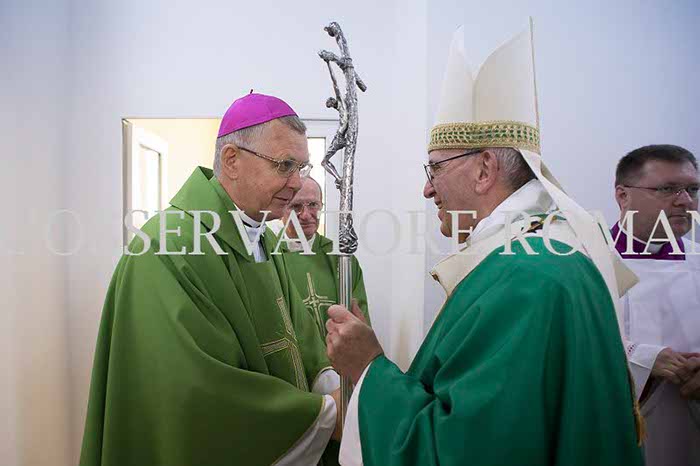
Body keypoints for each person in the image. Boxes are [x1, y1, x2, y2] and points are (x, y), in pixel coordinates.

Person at [326, 25, 644, 466]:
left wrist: (368, 367)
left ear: (483, 171)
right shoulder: (545, 251)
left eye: (435, 168)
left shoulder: (525, 279)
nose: (426, 188)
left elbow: (462, 449)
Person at [80, 93, 342, 466]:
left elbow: (298, 339)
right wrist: (326, 414)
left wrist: (335, 387)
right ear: (232, 160)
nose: (297, 183)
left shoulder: (264, 240)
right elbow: (192, 389)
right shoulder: (166, 247)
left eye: (301, 167)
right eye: (285, 165)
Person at [612, 144, 700, 466]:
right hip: (615, 427)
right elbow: (566, 344)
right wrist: (643, 358)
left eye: (693, 189)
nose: (685, 201)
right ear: (623, 196)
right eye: (667, 189)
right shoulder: (586, 260)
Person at [277, 176, 370, 466]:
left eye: (313, 205)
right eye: (297, 206)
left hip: (339, 375)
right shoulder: (268, 257)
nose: (306, 214)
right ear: (282, 208)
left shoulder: (341, 258)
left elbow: (360, 319)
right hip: (293, 382)